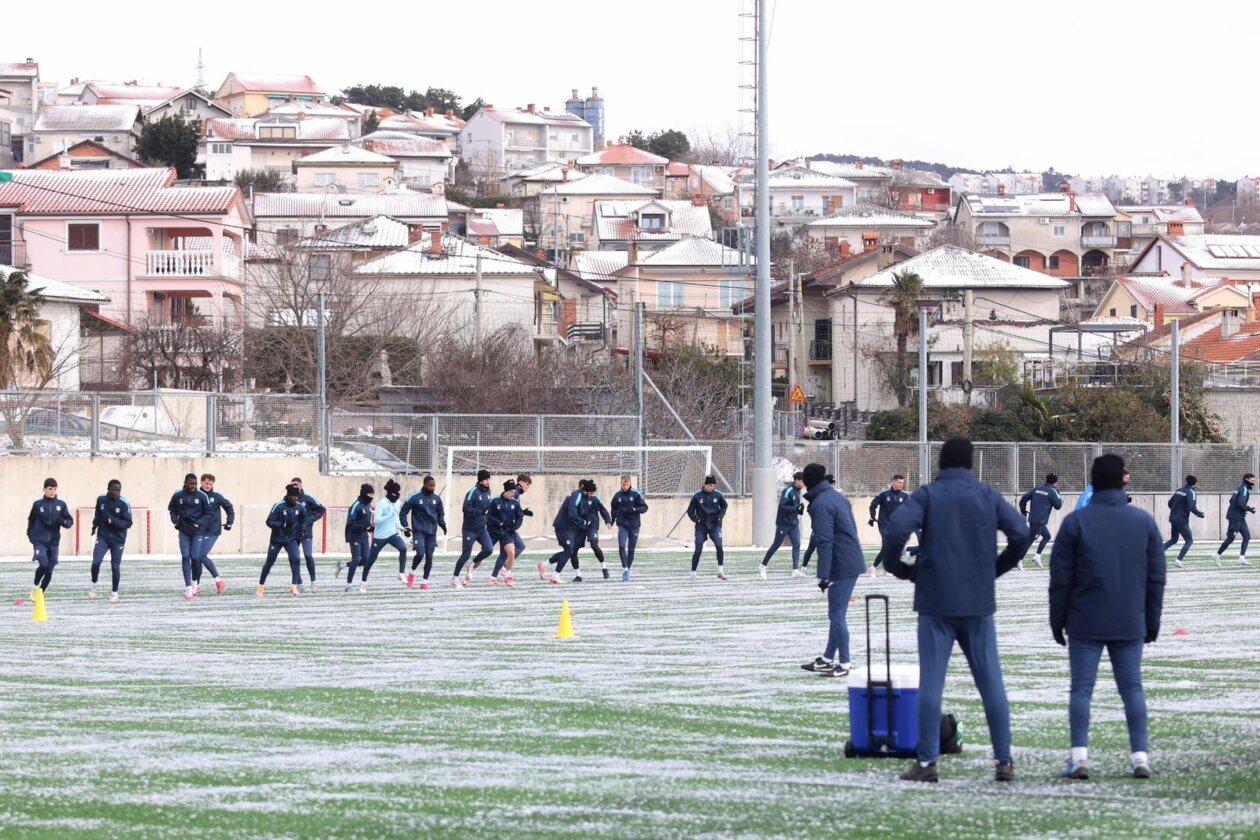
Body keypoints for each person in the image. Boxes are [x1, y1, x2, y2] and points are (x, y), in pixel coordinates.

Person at [879, 437, 1031, 784]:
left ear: (941, 463)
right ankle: (1004, 761)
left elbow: (898, 530)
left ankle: (927, 762)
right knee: (991, 682)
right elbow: (1021, 534)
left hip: (935, 599)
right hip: (977, 600)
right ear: (971, 463)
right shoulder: (987, 495)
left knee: (932, 683)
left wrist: (901, 569)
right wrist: (996, 568)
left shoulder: (929, 494)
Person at [1050, 453, 1165, 781]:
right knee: (1132, 687)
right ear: (1122, 480)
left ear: (1094, 480)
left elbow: (1060, 580)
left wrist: (1056, 621)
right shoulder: (1142, 521)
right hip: (1129, 619)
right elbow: (1156, 577)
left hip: (1085, 620)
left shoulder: (1075, 522)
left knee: (1081, 689)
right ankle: (1140, 757)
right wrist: (1152, 621)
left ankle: (1079, 758)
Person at [799, 464, 866, 678]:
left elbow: (824, 540)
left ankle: (844, 663)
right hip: (849, 559)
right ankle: (828, 659)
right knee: (836, 614)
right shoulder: (837, 497)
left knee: (837, 614)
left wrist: (823, 575)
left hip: (841, 563)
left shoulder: (821, 503)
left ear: (808, 482)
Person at [168, 473, 211, 601]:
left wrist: (199, 523)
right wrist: (175, 521)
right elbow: (172, 510)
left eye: (195, 484)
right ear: (185, 483)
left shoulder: (202, 496)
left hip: (198, 531)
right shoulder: (177, 495)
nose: (193, 486)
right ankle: (188, 588)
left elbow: (208, 513)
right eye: (191, 483)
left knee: (195, 556)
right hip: (184, 531)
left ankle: (194, 583)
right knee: (185, 557)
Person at [27, 478, 73, 598]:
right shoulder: (38, 504)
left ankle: (40, 594)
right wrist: (30, 536)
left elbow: (70, 521)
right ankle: (34, 586)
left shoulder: (61, 505)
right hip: (40, 541)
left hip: (54, 542)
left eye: (54, 489)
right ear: (44, 489)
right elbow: (31, 520)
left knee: (49, 570)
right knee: (43, 564)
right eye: (50, 489)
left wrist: (64, 522)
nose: (52, 491)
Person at [258, 484, 306, 597]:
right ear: (288, 495)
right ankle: (260, 586)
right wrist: (282, 524)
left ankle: (293, 586)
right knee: (269, 562)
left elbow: (304, 520)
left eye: (297, 496)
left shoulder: (299, 507)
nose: (296, 498)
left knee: (296, 559)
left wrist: (302, 530)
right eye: (293, 496)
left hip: (291, 539)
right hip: (277, 539)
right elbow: (269, 522)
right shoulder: (278, 506)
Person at [89, 479, 132, 603]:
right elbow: (98, 513)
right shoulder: (101, 499)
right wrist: (94, 525)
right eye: (114, 490)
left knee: (115, 567)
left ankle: (114, 593)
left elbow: (128, 523)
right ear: (108, 489)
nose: (116, 492)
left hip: (118, 539)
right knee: (96, 562)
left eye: (118, 490)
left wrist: (111, 520)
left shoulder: (124, 503)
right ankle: (93, 586)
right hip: (103, 537)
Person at [400, 475, 446, 590]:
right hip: (419, 531)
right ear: (424, 484)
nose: (432, 487)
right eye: (430, 485)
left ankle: (424, 582)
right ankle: (412, 573)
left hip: (432, 533)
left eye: (434, 485)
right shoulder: (415, 496)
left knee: (429, 557)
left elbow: (440, 514)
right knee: (420, 554)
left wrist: (443, 524)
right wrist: (405, 527)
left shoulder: (437, 499)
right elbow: (403, 512)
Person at [363, 478, 406, 591]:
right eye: (395, 493)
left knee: (403, 548)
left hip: (392, 534)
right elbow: (376, 520)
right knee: (371, 559)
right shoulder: (382, 503)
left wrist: (402, 528)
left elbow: (396, 517)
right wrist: (390, 514)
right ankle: (364, 580)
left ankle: (401, 573)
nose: (397, 496)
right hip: (380, 536)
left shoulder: (397, 502)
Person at [761, 472, 806, 579]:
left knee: (797, 544)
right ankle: (763, 565)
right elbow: (782, 506)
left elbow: (794, 506)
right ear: (797, 481)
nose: (804, 484)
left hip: (793, 523)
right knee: (776, 544)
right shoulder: (788, 491)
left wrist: (798, 510)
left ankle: (795, 570)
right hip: (784, 523)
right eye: (803, 481)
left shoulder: (798, 491)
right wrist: (795, 508)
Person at [543, 480, 589, 584]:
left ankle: (545, 565)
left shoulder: (578, 496)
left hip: (567, 527)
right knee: (569, 551)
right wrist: (582, 521)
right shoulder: (577, 495)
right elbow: (572, 514)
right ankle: (555, 575)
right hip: (564, 527)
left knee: (569, 551)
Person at [454, 469, 495, 586]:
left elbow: (487, 508)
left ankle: (472, 563)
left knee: (489, 549)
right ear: (480, 480)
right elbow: (465, 509)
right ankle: (455, 577)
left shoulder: (488, 491)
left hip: (482, 529)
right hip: (469, 529)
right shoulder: (473, 492)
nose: (487, 481)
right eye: (485, 479)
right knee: (465, 554)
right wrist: (479, 511)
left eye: (488, 479)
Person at [196, 473, 233, 594]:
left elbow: (229, 507)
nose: (208, 486)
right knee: (195, 557)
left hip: (212, 531)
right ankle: (196, 585)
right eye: (206, 483)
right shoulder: (196, 495)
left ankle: (218, 581)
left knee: (201, 555)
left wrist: (229, 522)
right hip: (197, 531)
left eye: (210, 484)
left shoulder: (216, 496)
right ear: (201, 482)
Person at [688, 475, 729, 580]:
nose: (712, 487)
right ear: (705, 484)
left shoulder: (718, 495)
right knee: (698, 550)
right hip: (701, 526)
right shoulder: (697, 496)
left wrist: (720, 516)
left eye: (713, 485)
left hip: (715, 525)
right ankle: (693, 572)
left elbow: (724, 506)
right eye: (710, 485)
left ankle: (720, 571)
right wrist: (697, 519)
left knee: (719, 546)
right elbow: (690, 511)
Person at [1018, 473, 1063, 569]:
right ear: (1055, 482)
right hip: (1039, 520)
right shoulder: (1052, 491)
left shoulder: (1037, 489)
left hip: (1035, 519)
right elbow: (1058, 506)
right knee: (1030, 540)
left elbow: (1024, 498)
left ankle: (1037, 557)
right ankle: (1018, 560)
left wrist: (1023, 510)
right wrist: (1058, 495)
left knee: (1047, 536)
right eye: (1057, 482)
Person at [868, 475, 910, 574]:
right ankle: (874, 567)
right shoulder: (884, 494)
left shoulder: (905, 496)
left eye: (902, 483)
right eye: (899, 482)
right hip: (884, 524)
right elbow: (873, 505)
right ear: (894, 482)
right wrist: (872, 516)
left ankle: (884, 567)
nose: (901, 485)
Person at [610, 474, 649, 581]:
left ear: (630, 483)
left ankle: (628, 570)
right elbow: (613, 509)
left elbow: (645, 508)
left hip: (634, 525)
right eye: (623, 484)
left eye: (627, 484)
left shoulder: (636, 494)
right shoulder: (617, 495)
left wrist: (635, 509)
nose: (625, 486)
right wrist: (612, 521)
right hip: (622, 525)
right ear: (620, 484)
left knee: (631, 549)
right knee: (622, 545)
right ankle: (625, 570)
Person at [290, 477, 326, 591]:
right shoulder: (288, 499)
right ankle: (299, 583)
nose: (295, 487)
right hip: (292, 534)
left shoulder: (308, 498)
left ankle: (313, 582)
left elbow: (321, 509)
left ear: (301, 486)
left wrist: (309, 520)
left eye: (296, 484)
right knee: (294, 558)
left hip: (306, 532)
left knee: (308, 555)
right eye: (292, 485)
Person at [487, 480, 525, 585]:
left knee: (510, 552)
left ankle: (506, 575)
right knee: (486, 551)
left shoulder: (515, 503)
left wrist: (515, 526)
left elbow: (520, 516)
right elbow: (488, 516)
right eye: (511, 492)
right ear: (506, 491)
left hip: (507, 533)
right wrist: (498, 523)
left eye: (514, 492)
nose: (513, 494)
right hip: (494, 531)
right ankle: (471, 567)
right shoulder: (495, 501)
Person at [1164, 475, 1205, 569]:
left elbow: (1170, 503)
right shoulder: (1191, 492)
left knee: (1173, 539)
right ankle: (1178, 561)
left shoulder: (1179, 490)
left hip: (1173, 518)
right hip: (1181, 520)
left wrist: (1175, 511)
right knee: (1189, 540)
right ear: (1195, 483)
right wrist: (1199, 514)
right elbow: (1191, 506)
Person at [1215, 473, 1255, 567]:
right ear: (1246, 479)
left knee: (1247, 537)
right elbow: (1241, 503)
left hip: (1240, 517)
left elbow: (1231, 500)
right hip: (1235, 518)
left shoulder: (1239, 488)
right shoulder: (1244, 489)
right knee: (1230, 538)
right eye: (1252, 481)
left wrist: (1241, 510)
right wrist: (1249, 509)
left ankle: (1241, 558)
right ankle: (1217, 555)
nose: (1253, 483)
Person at [341, 484, 374, 591]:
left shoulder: (368, 505)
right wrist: (365, 527)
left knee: (366, 560)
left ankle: (343, 564)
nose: (371, 496)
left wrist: (369, 528)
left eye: (373, 494)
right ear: (364, 494)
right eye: (370, 494)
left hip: (363, 536)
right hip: (354, 535)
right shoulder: (356, 505)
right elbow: (350, 524)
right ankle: (348, 585)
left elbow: (366, 522)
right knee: (356, 559)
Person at [577, 483, 614, 578]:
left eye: (593, 493)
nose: (592, 495)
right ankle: (578, 575)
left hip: (592, 527)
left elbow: (603, 511)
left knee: (594, 545)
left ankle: (604, 568)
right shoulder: (578, 498)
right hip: (580, 527)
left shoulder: (595, 500)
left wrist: (608, 521)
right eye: (590, 493)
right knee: (573, 550)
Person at [801, 474, 834, 569]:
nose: (833, 486)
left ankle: (828, 568)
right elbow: (810, 508)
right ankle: (804, 567)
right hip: (818, 528)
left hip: (829, 528)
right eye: (831, 483)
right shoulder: (819, 496)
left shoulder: (832, 496)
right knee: (812, 548)